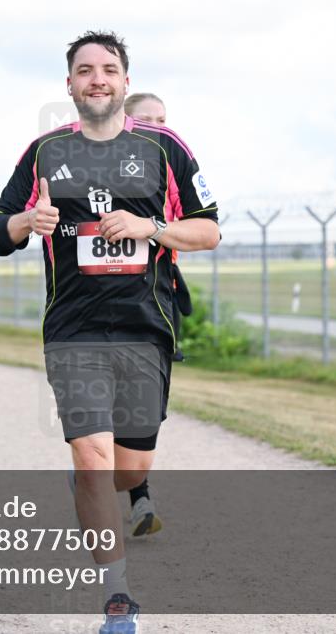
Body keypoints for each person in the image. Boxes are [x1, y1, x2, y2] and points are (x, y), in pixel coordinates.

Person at [0, 30, 219, 634]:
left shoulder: (166, 148)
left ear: (124, 81)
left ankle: (117, 481)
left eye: (108, 68)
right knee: (92, 460)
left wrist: (151, 228)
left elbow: (209, 231)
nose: (97, 79)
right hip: (74, 329)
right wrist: (23, 221)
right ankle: (118, 600)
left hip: (145, 328)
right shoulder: (44, 153)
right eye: (85, 70)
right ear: (69, 85)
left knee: (128, 470)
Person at [120, 92, 195, 538]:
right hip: (99, 308)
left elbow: (201, 227)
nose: (158, 128)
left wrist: (157, 230)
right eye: (146, 121)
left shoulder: (172, 169)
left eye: (163, 120)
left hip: (157, 302)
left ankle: (122, 479)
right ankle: (138, 497)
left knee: (144, 412)